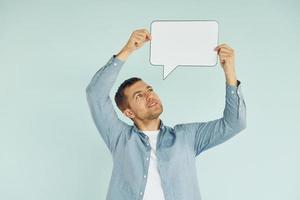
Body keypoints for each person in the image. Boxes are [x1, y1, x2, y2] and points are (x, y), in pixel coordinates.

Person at [85, 29, 247, 200]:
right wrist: (127, 50)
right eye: (139, 96)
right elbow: (95, 93)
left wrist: (229, 72)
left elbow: (235, 123)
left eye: (150, 90)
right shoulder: (119, 137)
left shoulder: (187, 136)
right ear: (128, 112)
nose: (150, 96)